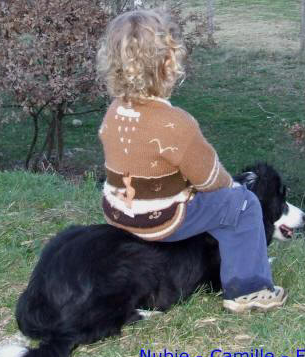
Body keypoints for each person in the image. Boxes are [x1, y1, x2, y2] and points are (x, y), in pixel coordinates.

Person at [96, 9, 286, 313]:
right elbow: (210, 179)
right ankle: (249, 291)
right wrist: (232, 186)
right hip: (161, 219)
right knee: (242, 205)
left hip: (118, 214)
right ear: (169, 64)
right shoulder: (176, 123)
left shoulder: (114, 112)